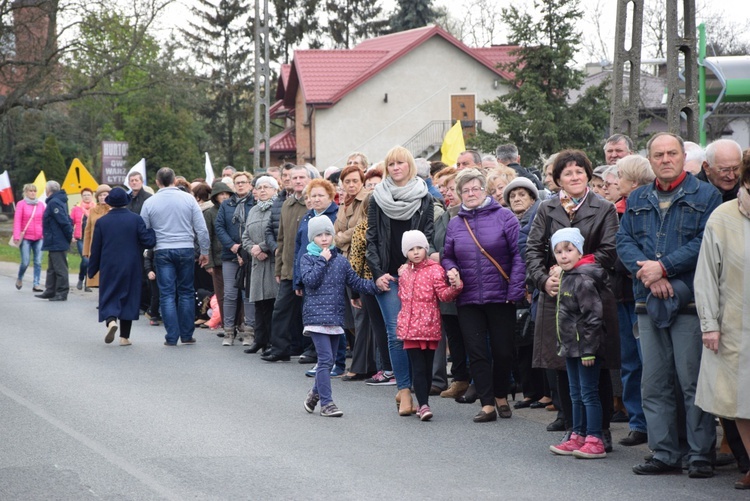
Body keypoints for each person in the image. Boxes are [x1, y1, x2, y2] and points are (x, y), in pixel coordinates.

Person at [617, 132, 722, 477]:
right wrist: (649, 273)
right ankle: (664, 452)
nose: (665, 159)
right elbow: (624, 240)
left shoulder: (708, 195)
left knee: (692, 381)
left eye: (671, 153)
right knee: (655, 381)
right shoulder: (637, 198)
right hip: (648, 301)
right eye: (658, 154)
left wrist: (664, 267)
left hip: (690, 303)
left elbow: (705, 241)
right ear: (649, 160)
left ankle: (699, 454)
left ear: (682, 156)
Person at [526, 149, 620, 450]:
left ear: (588, 175)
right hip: (556, 294)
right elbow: (532, 249)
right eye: (568, 172)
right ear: (558, 179)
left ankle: (600, 430)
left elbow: (610, 251)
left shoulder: (603, 207)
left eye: (580, 171)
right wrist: (544, 280)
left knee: (596, 365)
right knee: (563, 364)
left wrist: (575, 267)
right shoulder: (546, 208)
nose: (575, 176)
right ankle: (573, 428)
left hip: (591, 292)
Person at [442, 168, 525, 422]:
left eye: (475, 189)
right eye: (465, 190)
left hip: (501, 296)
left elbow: (519, 255)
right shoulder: (456, 222)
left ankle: (501, 393)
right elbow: (447, 255)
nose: (470, 194)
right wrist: (451, 269)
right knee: (477, 352)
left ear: (485, 190)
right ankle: (488, 403)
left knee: (502, 352)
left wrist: (515, 290)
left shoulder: (505, 217)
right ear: (459, 194)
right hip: (467, 298)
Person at [694, 154, 750, 489]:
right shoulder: (723, 217)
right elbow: (706, 277)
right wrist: (709, 323)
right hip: (736, 326)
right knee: (739, 399)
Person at [366, 145, 435, 415]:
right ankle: (404, 390)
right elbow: (371, 239)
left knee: (416, 335)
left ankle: (420, 392)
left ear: (410, 166)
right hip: (388, 275)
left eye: (401, 164)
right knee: (396, 332)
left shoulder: (424, 197)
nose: (396, 168)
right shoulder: (377, 197)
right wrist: (377, 272)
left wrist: (418, 267)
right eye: (391, 164)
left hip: (416, 274)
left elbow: (427, 235)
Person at [301, 216, 382, 417]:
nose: (324, 238)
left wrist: (377, 285)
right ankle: (327, 404)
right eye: (319, 235)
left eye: (328, 234)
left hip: (336, 318)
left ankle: (314, 394)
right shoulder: (307, 258)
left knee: (328, 361)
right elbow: (309, 281)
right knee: (326, 359)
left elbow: (356, 282)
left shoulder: (341, 261)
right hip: (316, 318)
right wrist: (322, 260)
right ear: (313, 238)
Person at [548, 228, 608, 459]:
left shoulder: (583, 279)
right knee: (575, 393)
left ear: (579, 251)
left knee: (589, 393)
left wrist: (588, 349)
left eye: (569, 250)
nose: (564, 256)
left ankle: (595, 438)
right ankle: (578, 434)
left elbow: (592, 317)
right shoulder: (566, 276)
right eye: (559, 251)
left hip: (586, 350)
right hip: (571, 347)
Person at [140, 167, 210, 346]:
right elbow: (201, 228)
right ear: (174, 180)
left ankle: (171, 336)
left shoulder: (150, 202)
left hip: (162, 249)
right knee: (186, 291)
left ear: (157, 182)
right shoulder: (188, 199)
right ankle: (186, 335)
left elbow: (144, 229)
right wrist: (204, 251)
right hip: (186, 248)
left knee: (167, 294)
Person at [612, 155, 655, 447]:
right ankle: (637, 423)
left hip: (647, 293)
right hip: (621, 296)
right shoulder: (614, 211)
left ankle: (656, 424)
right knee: (629, 362)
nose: (615, 183)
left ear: (634, 182)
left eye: (620, 178)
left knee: (650, 363)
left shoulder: (649, 207)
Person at [398, 230, 462, 421]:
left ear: (426, 249)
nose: (416, 252)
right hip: (409, 328)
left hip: (429, 325)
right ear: (405, 252)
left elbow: (443, 295)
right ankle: (424, 404)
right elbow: (402, 297)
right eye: (411, 249)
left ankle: (422, 403)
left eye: (419, 248)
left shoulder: (435, 270)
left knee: (427, 367)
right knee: (418, 367)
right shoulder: (404, 272)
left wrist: (455, 286)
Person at [87, 188, 156, 346]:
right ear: (126, 201)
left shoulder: (102, 222)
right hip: (131, 264)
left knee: (110, 294)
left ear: (109, 202)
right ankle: (124, 337)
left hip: (109, 264)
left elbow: (95, 248)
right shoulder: (135, 219)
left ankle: (111, 321)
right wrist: (152, 231)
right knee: (128, 297)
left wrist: (91, 270)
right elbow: (148, 241)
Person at [262, 165, 310, 362]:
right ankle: (280, 348)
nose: (297, 180)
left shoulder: (312, 203)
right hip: (288, 268)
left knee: (307, 311)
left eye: (301, 177)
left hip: (308, 269)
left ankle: (310, 350)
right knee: (281, 309)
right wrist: (279, 267)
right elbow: (281, 239)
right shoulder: (287, 204)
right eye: (294, 177)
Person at [334, 165, 375, 380]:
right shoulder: (344, 201)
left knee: (361, 315)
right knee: (352, 315)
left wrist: (340, 237)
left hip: (360, 263)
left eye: (354, 181)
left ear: (362, 181)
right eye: (347, 181)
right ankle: (363, 363)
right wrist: (340, 236)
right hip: (345, 261)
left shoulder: (366, 199)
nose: (351, 185)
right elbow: (336, 229)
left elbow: (360, 228)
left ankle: (361, 366)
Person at [215, 171, 255, 345]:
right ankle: (228, 331)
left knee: (248, 294)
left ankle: (249, 331)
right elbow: (219, 226)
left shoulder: (255, 203)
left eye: (243, 182)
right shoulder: (226, 205)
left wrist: (245, 249)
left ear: (250, 184)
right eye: (237, 182)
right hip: (230, 254)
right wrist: (232, 246)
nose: (240, 185)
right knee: (230, 294)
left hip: (250, 254)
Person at [241, 176, 279, 354]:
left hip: (271, 262)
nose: (262, 190)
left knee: (272, 304)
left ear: (275, 190)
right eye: (259, 187)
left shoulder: (278, 207)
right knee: (259, 304)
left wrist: (263, 247)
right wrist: (253, 249)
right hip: (257, 262)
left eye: (267, 187)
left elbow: (278, 233)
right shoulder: (254, 210)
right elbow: (245, 236)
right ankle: (260, 340)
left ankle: (272, 341)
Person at [203, 181, 234, 334]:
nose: (224, 196)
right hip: (217, 259)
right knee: (221, 295)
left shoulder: (235, 209)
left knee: (236, 294)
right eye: (221, 194)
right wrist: (208, 262)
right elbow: (206, 237)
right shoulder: (210, 213)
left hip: (234, 257)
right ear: (215, 196)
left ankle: (238, 324)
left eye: (227, 193)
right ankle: (225, 323)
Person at [35, 181, 73, 301]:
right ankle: (51, 290)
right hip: (53, 240)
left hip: (58, 240)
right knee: (52, 268)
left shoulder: (54, 203)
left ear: (49, 190)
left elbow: (64, 221)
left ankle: (62, 292)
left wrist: (68, 236)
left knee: (60, 268)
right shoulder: (56, 201)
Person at [12, 184, 45, 291]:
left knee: (38, 262)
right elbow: (17, 221)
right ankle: (20, 277)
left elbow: (45, 221)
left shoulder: (41, 205)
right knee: (25, 262)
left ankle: (36, 284)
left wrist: (45, 234)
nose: (32, 193)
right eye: (30, 191)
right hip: (25, 237)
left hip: (39, 237)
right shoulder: (21, 204)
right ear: (26, 192)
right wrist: (16, 235)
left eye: (34, 191)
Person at [82, 185, 112, 289]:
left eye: (105, 195)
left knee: (109, 276)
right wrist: (86, 250)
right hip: (95, 247)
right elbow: (88, 231)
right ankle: (102, 300)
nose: (103, 197)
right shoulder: (93, 211)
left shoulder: (113, 210)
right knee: (97, 276)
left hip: (109, 246)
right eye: (100, 195)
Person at [697, 139, 742, 203]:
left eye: (736, 168)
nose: (731, 176)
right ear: (706, 167)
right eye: (725, 170)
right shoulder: (689, 191)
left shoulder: (746, 190)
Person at [70, 187, 95, 291]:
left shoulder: (96, 209)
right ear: (81, 197)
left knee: (91, 261)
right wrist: (71, 235)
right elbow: (70, 223)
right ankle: (81, 278)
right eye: (84, 195)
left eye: (88, 195)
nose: (86, 197)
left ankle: (87, 284)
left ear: (92, 196)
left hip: (93, 238)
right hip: (81, 238)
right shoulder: (76, 208)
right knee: (86, 260)